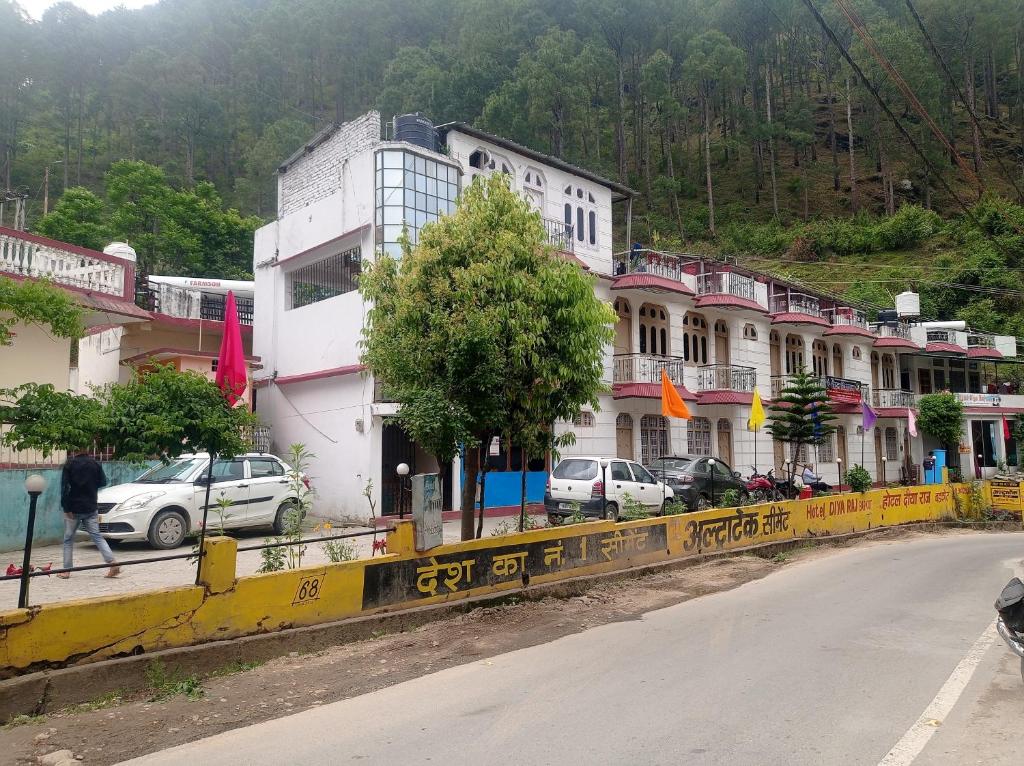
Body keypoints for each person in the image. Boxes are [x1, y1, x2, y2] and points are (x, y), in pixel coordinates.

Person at [60, 451, 120, 578]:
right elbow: (103, 482)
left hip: (73, 508)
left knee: (68, 539)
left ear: (74, 452)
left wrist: (66, 507)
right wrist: (90, 485)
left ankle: (66, 571)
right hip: (91, 506)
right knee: (97, 536)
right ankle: (113, 563)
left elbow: (65, 487)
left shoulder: (69, 464)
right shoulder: (95, 464)